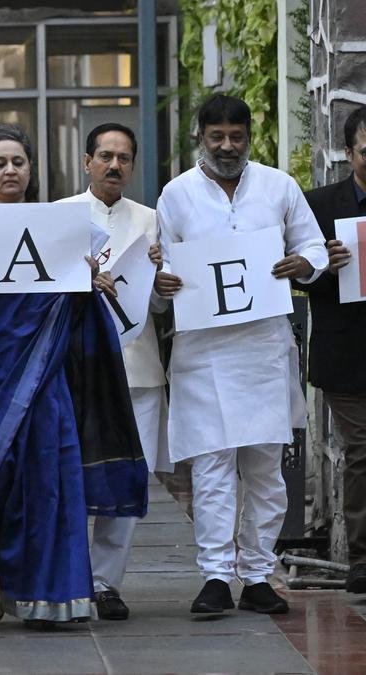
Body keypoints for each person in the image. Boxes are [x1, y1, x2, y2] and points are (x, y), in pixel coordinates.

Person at [0, 124, 147, 627]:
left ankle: (47, 592)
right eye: (0, 163)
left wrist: (89, 278)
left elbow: (70, 296)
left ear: (31, 171)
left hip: (45, 366)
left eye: (19, 162)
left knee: (46, 470)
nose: (10, 170)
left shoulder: (61, 224)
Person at [154, 94, 327, 615]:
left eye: (236, 136)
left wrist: (301, 263)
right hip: (203, 354)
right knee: (210, 467)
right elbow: (160, 277)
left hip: (265, 350)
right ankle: (213, 575)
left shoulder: (279, 186)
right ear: (199, 138)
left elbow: (315, 249)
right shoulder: (176, 195)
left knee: (265, 470)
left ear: (249, 135)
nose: (227, 146)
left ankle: (255, 575)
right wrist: (161, 283)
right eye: (217, 137)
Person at [58, 122, 171, 620]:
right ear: (87, 162)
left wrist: (164, 280)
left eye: (124, 158)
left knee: (126, 480)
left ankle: (106, 583)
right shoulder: (57, 216)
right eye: (105, 155)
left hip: (137, 368)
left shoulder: (150, 220)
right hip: (74, 369)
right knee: (72, 477)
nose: (114, 165)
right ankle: (67, 577)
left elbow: (163, 306)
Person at [297, 105, 366, 591]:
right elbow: (290, 272)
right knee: (363, 451)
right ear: (349, 153)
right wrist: (324, 267)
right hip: (346, 354)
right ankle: (362, 561)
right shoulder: (318, 205)